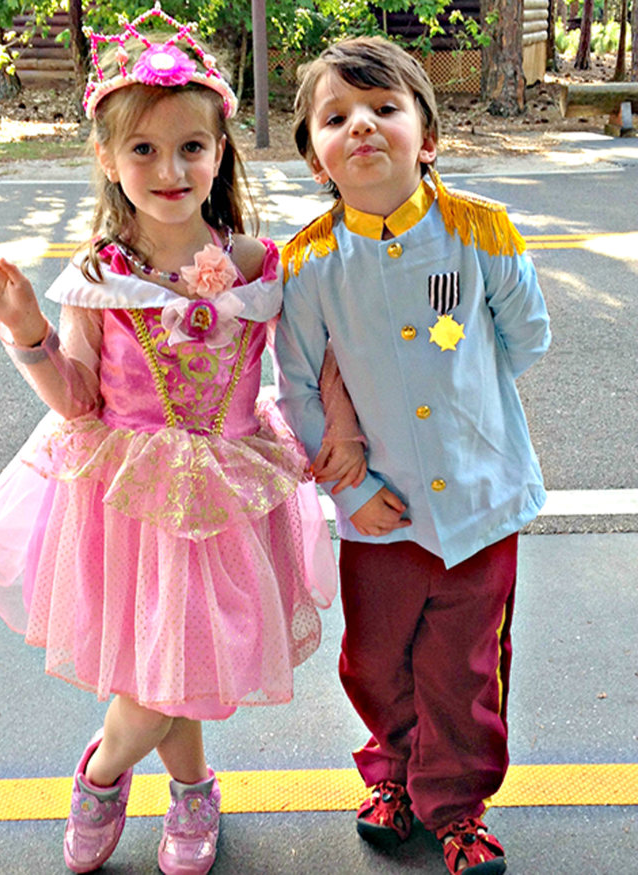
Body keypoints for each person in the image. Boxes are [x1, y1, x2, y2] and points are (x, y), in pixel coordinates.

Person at [0, 7, 360, 874]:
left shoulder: (255, 264)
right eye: (143, 150)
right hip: (129, 495)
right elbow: (78, 400)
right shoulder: (98, 277)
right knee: (164, 667)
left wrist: (342, 432)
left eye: (191, 148)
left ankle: (171, 787)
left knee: (189, 658)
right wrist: (26, 329)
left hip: (230, 488)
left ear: (219, 152)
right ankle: (122, 778)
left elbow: (310, 359)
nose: (170, 169)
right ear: (107, 156)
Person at [275, 36, 551, 875]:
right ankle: (391, 772)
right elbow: (292, 389)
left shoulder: (480, 231)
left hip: (479, 501)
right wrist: (352, 495)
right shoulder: (310, 262)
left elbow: (526, 338)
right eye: (336, 116)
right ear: (316, 154)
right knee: (376, 656)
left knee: (466, 667)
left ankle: (457, 803)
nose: (362, 125)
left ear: (426, 136)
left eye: (384, 108)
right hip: (378, 513)